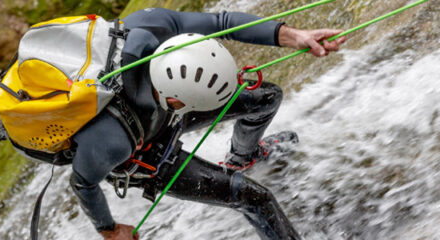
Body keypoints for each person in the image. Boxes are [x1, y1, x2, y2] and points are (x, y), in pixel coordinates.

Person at [69, 8, 347, 240]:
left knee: (266, 98)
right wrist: (108, 229)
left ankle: (243, 158)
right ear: (178, 103)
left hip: (162, 106)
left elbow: (222, 23)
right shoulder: (111, 139)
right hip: (143, 149)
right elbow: (83, 182)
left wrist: (294, 36)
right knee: (256, 198)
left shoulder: (154, 26)